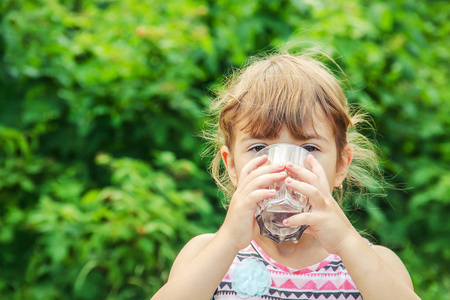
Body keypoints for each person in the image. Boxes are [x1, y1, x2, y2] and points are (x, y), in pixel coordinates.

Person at [151, 51, 420, 300]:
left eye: (309, 148)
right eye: (259, 148)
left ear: (340, 165)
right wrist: (229, 240)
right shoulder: (208, 255)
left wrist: (346, 242)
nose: (283, 168)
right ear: (232, 166)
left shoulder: (372, 264)